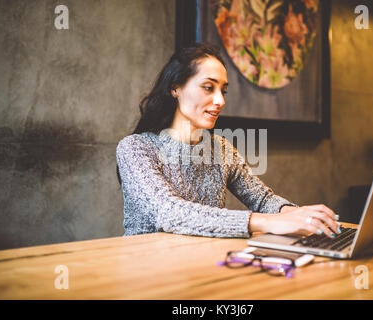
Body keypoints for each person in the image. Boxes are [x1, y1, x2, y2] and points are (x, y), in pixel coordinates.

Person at [116, 42, 341, 239]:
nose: (220, 100)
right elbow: (170, 212)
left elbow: (262, 199)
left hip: (200, 265)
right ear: (175, 88)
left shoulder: (220, 149)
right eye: (208, 87)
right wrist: (267, 222)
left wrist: (298, 215)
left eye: (223, 91)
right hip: (146, 270)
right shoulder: (135, 148)